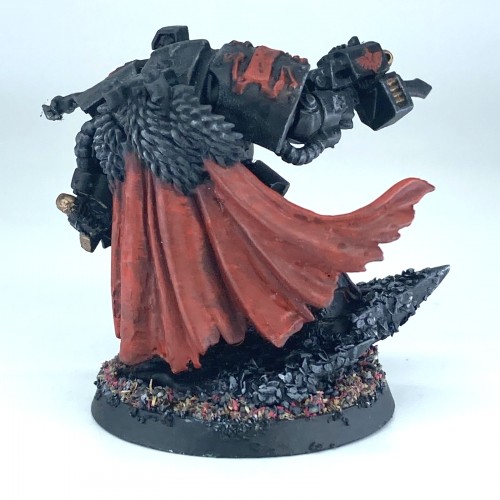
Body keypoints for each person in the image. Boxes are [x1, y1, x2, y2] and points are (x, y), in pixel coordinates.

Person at [44, 27, 433, 373]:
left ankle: (319, 311)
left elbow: (302, 115)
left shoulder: (190, 74)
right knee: (260, 252)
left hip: (202, 190)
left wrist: (341, 89)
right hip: (180, 197)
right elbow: (306, 117)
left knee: (260, 252)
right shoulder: (155, 92)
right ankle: (299, 317)